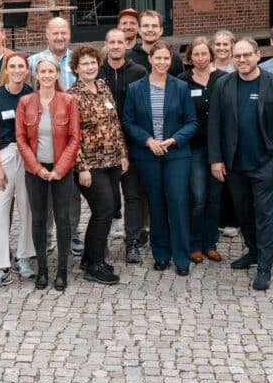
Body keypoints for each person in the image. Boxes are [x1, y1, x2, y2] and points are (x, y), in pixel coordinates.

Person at [209, 38, 273, 291]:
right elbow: (215, 125)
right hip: (235, 165)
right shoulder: (223, 84)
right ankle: (254, 251)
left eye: (247, 55)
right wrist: (216, 159)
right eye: (238, 56)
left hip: (265, 163)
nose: (242, 60)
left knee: (266, 216)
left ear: (258, 55)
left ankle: (265, 268)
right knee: (244, 213)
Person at [123, 41, 197, 275]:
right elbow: (128, 121)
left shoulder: (180, 87)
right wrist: (148, 140)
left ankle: (182, 257)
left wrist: (173, 139)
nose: (162, 62)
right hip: (147, 155)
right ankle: (161, 254)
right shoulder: (136, 88)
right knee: (155, 204)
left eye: (166, 59)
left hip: (176, 154)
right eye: (158, 58)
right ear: (150, 60)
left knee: (177, 203)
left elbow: (191, 122)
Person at [16, 54, 81, 291]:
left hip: (61, 170)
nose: (46, 75)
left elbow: (74, 138)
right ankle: (42, 268)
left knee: (63, 220)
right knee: (39, 220)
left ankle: (62, 270)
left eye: (50, 71)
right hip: (35, 171)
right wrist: (38, 169)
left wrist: (60, 170)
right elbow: (21, 139)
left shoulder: (68, 101)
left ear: (56, 74)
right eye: (42, 71)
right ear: (36, 75)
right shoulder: (25, 102)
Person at [69, 44, 126, 285]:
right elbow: (71, 135)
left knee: (109, 208)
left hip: (112, 160)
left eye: (93, 62)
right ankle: (94, 265)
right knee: (103, 209)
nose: (90, 67)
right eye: (85, 64)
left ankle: (89, 257)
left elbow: (115, 123)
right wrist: (81, 167)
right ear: (75, 68)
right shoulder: (72, 95)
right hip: (90, 165)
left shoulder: (103, 87)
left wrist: (123, 153)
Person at [0, 52, 36, 291]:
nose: (16, 70)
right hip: (4, 154)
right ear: (7, 68)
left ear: (26, 70)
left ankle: (23, 257)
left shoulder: (32, 96)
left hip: (27, 155)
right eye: (12, 66)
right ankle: (1, 266)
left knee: (27, 208)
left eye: (20, 66)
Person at [29, 16, 81, 255]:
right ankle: (47, 237)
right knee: (44, 195)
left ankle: (72, 235)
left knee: (71, 192)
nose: (60, 37)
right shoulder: (33, 62)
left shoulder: (79, 61)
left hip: (72, 133)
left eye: (64, 33)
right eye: (55, 33)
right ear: (47, 35)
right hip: (42, 134)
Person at [97, 27, 149, 262]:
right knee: (105, 199)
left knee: (133, 196)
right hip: (104, 146)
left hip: (133, 143)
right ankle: (101, 242)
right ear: (106, 45)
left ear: (126, 44)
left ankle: (132, 243)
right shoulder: (97, 72)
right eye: (112, 42)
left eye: (120, 42)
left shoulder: (138, 71)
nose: (116, 46)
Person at [179, 36, 228, 263]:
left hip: (219, 148)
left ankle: (211, 243)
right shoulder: (182, 81)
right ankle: (194, 243)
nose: (200, 58)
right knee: (198, 198)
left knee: (215, 198)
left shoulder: (224, 79)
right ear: (190, 58)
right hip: (195, 148)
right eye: (196, 54)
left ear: (211, 55)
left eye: (204, 54)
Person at [128, 10, 185, 76]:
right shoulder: (128, 58)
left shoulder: (174, 57)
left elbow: (181, 84)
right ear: (139, 30)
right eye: (146, 26)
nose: (150, 30)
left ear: (161, 30)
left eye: (154, 26)